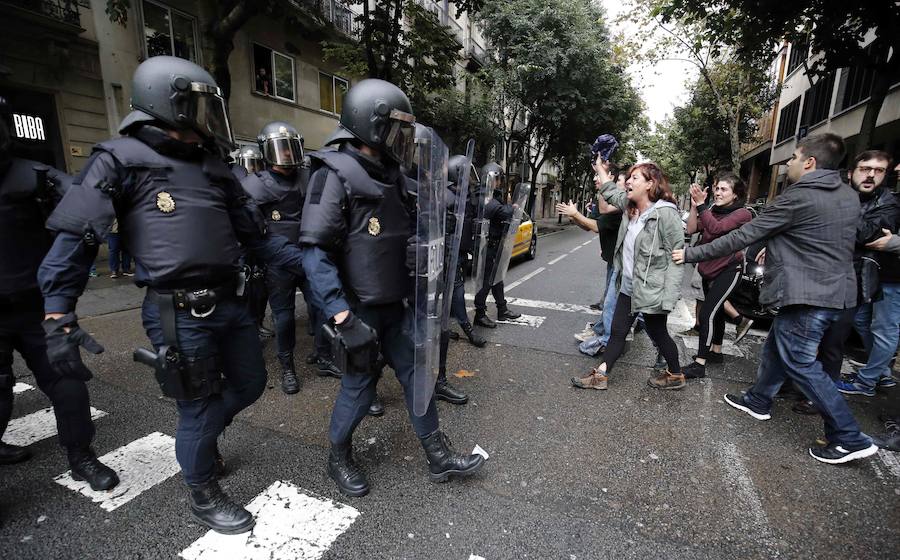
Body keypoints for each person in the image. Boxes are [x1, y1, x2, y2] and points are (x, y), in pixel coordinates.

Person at [37, 56, 314, 533]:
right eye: (200, 107)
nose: (209, 118)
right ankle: (202, 489)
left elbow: (258, 237)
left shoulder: (214, 167)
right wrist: (58, 316)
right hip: (178, 313)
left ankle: (200, 440)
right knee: (199, 408)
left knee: (249, 384)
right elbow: (75, 240)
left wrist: (317, 266)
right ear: (170, 106)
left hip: (231, 302)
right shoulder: (118, 159)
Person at [298, 78, 485, 498]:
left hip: (399, 305)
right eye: (397, 128)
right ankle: (338, 457)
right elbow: (314, 252)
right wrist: (340, 316)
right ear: (372, 125)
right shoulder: (334, 173)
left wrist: (424, 246)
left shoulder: (395, 175)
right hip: (357, 308)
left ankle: (438, 455)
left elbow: (414, 225)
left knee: (419, 376)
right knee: (359, 389)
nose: (404, 139)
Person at [673, 133, 879, 465]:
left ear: (810, 162)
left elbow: (741, 236)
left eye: (795, 157)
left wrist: (692, 253)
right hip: (838, 291)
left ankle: (848, 436)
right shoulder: (847, 195)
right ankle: (758, 400)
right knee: (776, 346)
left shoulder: (799, 197)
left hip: (808, 293)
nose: (790, 163)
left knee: (800, 362)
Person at [0, 96, 118, 490]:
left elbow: (84, 201)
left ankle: (81, 456)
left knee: (67, 381)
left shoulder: (33, 176)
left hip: (37, 308)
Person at [572, 161, 686, 391]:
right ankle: (601, 375)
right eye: (629, 178)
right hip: (628, 285)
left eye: (635, 178)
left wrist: (669, 297)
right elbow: (611, 191)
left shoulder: (665, 214)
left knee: (659, 333)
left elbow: (677, 258)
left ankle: (675, 373)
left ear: (650, 184)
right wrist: (600, 169)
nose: (629, 182)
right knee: (617, 332)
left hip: (652, 288)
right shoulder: (630, 207)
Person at [240, 121, 308, 395]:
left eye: (291, 148)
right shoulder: (255, 185)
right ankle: (287, 367)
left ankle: (328, 357)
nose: (287, 154)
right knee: (284, 317)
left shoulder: (307, 177)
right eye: (281, 149)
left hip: (308, 256)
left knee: (325, 309)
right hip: (279, 263)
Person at [835, 150, 900, 396]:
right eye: (866, 169)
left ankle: (867, 381)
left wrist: (842, 209)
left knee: (885, 330)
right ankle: (880, 373)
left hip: (891, 276)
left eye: (879, 170)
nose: (871, 175)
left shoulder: (888, 203)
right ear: (852, 172)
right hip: (871, 275)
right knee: (862, 321)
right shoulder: (863, 198)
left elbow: (868, 235)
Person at [680, 174, 753, 379]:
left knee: (707, 314)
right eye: (717, 189)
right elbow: (693, 228)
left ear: (735, 194)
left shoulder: (743, 214)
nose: (718, 193)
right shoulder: (711, 210)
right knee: (718, 313)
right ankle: (716, 352)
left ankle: (699, 363)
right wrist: (696, 206)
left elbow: (716, 228)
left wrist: (703, 205)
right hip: (709, 269)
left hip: (729, 270)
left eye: (724, 190)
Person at [472, 163, 521, 328]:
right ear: (492, 179)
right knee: (486, 281)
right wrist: (512, 206)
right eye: (498, 179)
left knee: (497, 279)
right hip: (486, 246)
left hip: (492, 245)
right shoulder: (484, 198)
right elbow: (504, 212)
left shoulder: (488, 195)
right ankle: (479, 313)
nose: (500, 182)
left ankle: (502, 309)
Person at [446, 154, 486, 349]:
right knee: (457, 292)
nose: (471, 177)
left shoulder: (465, 196)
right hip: (447, 256)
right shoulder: (446, 197)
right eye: (467, 173)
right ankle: (467, 330)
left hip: (460, 254)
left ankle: (440, 328)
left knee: (445, 294)